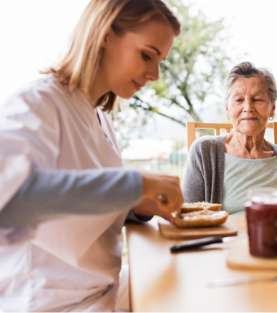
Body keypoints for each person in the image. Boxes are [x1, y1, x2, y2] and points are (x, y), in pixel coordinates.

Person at [0, 0, 183, 311]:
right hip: (55, 304)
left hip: (102, 291)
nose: (155, 74)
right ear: (105, 34)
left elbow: (89, 201)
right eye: (147, 55)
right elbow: (9, 201)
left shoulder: (99, 118)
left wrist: (138, 205)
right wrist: (135, 184)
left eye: (160, 61)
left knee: (190, 286)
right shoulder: (38, 104)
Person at [182, 62, 277, 213]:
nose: (248, 107)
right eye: (239, 100)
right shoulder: (204, 151)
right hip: (224, 237)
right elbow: (189, 216)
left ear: (272, 108)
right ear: (227, 108)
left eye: (257, 99)